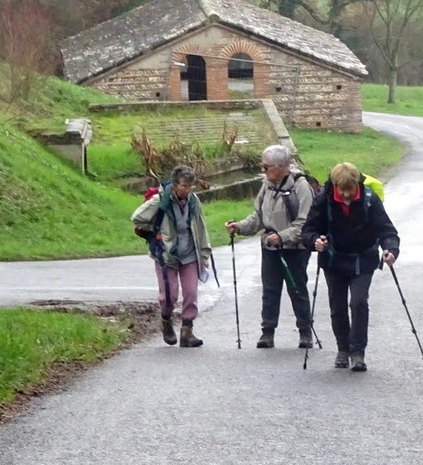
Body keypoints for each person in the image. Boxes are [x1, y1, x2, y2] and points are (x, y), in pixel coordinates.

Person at [301, 162, 400, 372]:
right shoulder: (324, 199)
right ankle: (343, 350)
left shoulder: (370, 199)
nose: (346, 195)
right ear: (335, 185)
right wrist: (315, 241)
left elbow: (387, 230)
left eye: (350, 190)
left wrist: (390, 249)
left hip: (363, 260)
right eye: (342, 190)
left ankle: (358, 353)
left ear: (357, 183)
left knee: (358, 302)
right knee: (337, 307)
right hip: (333, 260)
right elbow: (309, 230)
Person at [225, 144, 316, 349]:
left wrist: (282, 237)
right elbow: (258, 216)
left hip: (295, 249)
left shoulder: (301, 186)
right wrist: (239, 226)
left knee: (297, 289)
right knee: (270, 290)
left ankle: (305, 332)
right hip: (270, 247)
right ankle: (267, 332)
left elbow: (305, 223)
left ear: (281, 166)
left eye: (266, 167)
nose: (263, 170)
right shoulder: (267, 185)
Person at [132, 164, 212, 348]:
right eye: (184, 186)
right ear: (175, 185)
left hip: (189, 253)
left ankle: (187, 332)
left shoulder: (194, 201)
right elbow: (137, 217)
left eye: (190, 186)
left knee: (191, 293)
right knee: (170, 295)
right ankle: (166, 321)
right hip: (166, 254)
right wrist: (155, 232)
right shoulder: (160, 200)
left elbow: (201, 227)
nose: (187, 190)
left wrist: (204, 254)